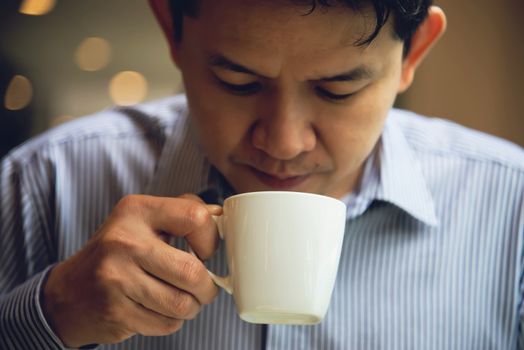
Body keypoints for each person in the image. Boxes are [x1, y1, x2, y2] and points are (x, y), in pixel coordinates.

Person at [1, 0, 523, 348]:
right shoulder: (42, 184)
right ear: (171, 30)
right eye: (237, 80)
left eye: (337, 89)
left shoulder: (512, 207)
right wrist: (53, 311)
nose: (283, 142)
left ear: (415, 52)